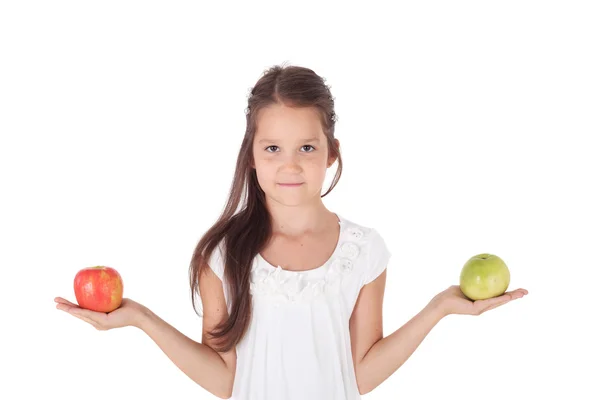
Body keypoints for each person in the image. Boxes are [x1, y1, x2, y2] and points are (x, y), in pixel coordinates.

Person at [55, 64, 528, 400]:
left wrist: (440, 308)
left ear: (331, 153)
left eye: (306, 146)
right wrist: (140, 317)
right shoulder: (222, 254)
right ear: (252, 155)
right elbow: (224, 379)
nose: (290, 165)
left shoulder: (364, 251)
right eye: (273, 148)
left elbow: (361, 374)